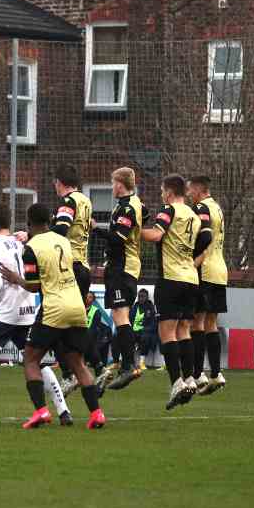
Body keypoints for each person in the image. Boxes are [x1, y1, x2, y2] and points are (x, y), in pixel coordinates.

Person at [0, 204, 70, 427]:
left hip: (6, 313)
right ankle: (63, 410)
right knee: (35, 361)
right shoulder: (21, 242)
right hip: (28, 309)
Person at [10, 203, 106, 430]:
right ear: (51, 220)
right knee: (78, 363)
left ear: (29, 223)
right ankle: (97, 414)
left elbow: (33, 286)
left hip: (54, 308)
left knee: (31, 359)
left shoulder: (30, 247)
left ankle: (41, 411)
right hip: (76, 306)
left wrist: (17, 279)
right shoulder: (63, 240)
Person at [141, 173, 205, 409]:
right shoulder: (194, 215)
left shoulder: (168, 210)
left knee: (166, 331)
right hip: (191, 278)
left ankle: (176, 382)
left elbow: (156, 235)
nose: (161, 195)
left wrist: (133, 232)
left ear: (169, 192)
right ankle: (189, 378)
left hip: (171, 278)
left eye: (161, 191)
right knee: (184, 329)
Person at [102, 167, 145, 391]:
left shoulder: (127, 208)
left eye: (113, 182)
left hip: (122, 268)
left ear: (120, 184)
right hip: (125, 267)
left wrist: (95, 229)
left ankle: (130, 366)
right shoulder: (136, 204)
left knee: (121, 316)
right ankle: (124, 364)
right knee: (120, 316)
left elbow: (119, 239)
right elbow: (143, 218)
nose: (112, 187)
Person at [50, 165, 92, 395]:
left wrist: (34, 237)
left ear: (59, 182)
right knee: (75, 325)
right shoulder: (86, 201)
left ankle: (70, 374)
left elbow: (61, 230)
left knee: (55, 323)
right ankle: (88, 367)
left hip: (70, 267)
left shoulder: (68, 202)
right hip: (83, 265)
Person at [187, 175, 227, 395]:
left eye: (190, 189)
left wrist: (194, 260)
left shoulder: (201, 207)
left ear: (199, 189)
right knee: (211, 323)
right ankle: (216, 373)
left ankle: (197, 373)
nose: (188, 194)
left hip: (205, 268)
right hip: (220, 270)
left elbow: (202, 234)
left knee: (196, 322)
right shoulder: (217, 207)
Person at [130, 289, 158, 370]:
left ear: (147, 297)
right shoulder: (135, 306)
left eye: (143, 296)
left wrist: (144, 330)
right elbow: (129, 320)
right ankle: (127, 362)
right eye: (139, 296)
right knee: (122, 335)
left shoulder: (150, 307)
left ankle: (141, 363)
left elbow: (153, 324)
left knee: (145, 337)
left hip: (144, 331)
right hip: (133, 330)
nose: (141, 298)